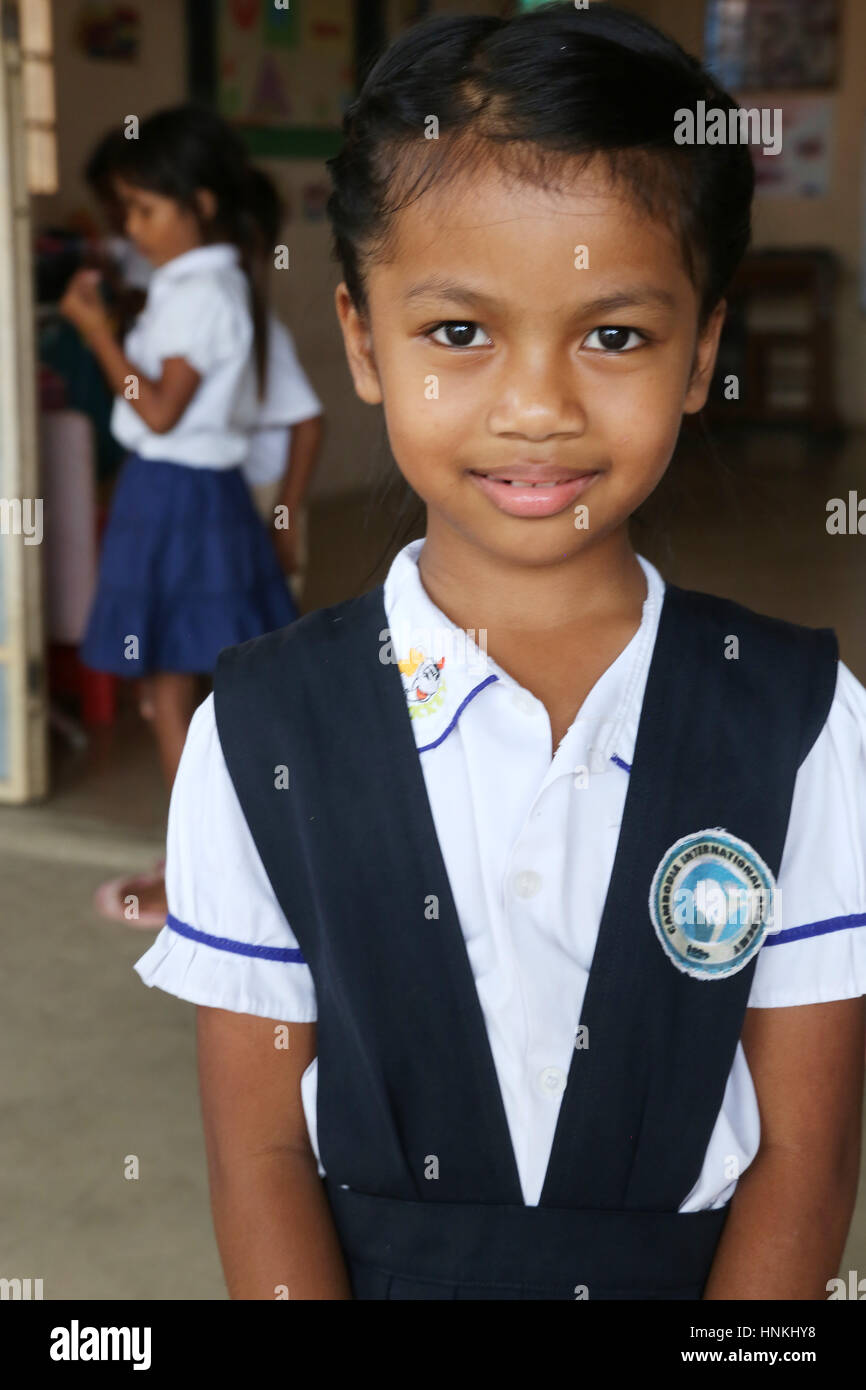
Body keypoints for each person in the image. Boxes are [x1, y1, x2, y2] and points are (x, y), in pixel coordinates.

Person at [133, 6, 866, 1300]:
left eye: (615, 334)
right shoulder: (257, 733)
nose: (536, 405)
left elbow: (801, 1156)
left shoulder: (802, 721)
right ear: (364, 340)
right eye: (459, 333)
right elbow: (256, 1151)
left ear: (701, 353)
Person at [59, 106, 297, 927]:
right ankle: (200, 855)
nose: (130, 227)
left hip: (180, 498)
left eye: (144, 210)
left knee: (175, 697)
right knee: (178, 697)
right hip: (176, 495)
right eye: (124, 210)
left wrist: (95, 334)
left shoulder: (204, 291)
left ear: (198, 204)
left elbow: (157, 408)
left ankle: (201, 874)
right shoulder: (197, 282)